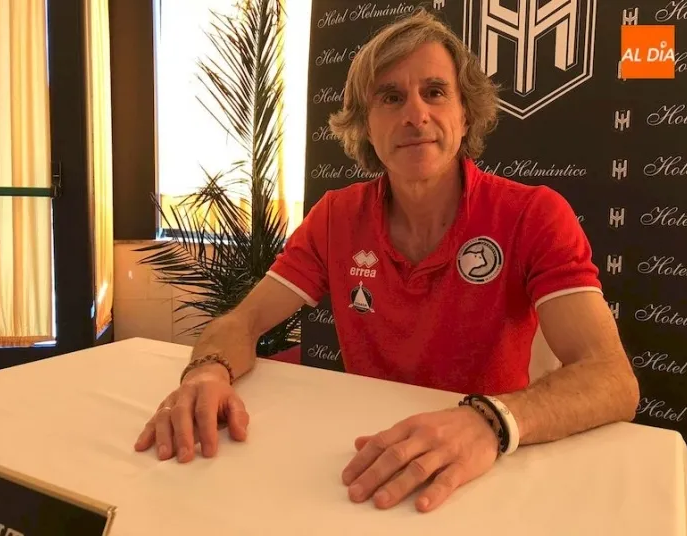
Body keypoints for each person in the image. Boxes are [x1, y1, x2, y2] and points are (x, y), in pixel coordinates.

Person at [134, 8, 640, 513]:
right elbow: (243, 322)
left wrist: (488, 420)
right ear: (365, 128)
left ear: (465, 114)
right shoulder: (335, 216)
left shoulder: (533, 214)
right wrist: (207, 372)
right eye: (390, 97)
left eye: (435, 92)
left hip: (489, 470)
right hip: (365, 463)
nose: (415, 115)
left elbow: (612, 378)